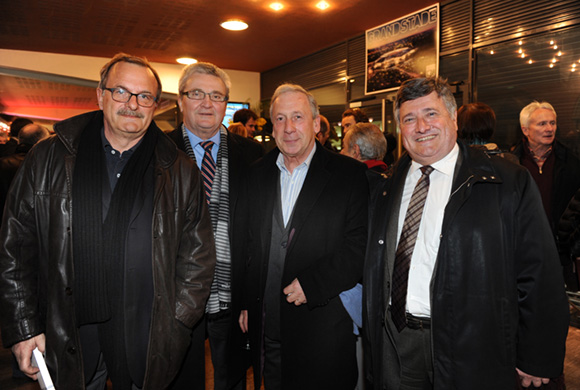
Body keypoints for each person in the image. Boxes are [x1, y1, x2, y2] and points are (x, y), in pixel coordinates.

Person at [0, 53, 216, 390]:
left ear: (155, 105)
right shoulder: (48, 158)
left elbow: (199, 258)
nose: (133, 104)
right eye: (121, 92)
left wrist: (177, 321)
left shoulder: (179, 170)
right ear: (100, 94)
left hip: (148, 334)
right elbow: (14, 249)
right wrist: (23, 327)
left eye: (144, 96)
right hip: (66, 329)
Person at [362, 77, 569, 390]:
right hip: (398, 343)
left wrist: (538, 354)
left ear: (453, 117)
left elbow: (539, 273)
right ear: (399, 128)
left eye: (431, 114)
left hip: (472, 345)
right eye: (409, 118)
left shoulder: (505, 182)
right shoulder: (387, 186)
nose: (421, 127)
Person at [239, 83, 369, 390]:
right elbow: (247, 244)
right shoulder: (256, 174)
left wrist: (313, 284)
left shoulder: (348, 175)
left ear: (315, 122)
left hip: (321, 325)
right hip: (268, 325)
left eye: (297, 117)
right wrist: (247, 300)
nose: (289, 128)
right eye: (280, 119)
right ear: (272, 127)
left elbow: (359, 247)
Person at [168, 62, 264, 390]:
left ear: (226, 103)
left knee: (234, 378)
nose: (207, 103)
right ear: (180, 100)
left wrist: (253, 298)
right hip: (175, 297)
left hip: (233, 298)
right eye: (197, 94)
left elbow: (260, 233)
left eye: (216, 96)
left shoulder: (254, 155)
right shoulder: (158, 153)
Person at [511, 101, 580, 289]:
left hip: (561, 256)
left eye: (553, 123)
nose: (549, 128)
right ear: (525, 130)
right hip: (521, 255)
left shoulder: (572, 163)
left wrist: (572, 244)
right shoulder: (511, 164)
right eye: (542, 124)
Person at [0, 123, 50, 218]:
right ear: (42, 142)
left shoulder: (3, 163)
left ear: (20, 140)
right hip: (29, 223)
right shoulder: (44, 167)